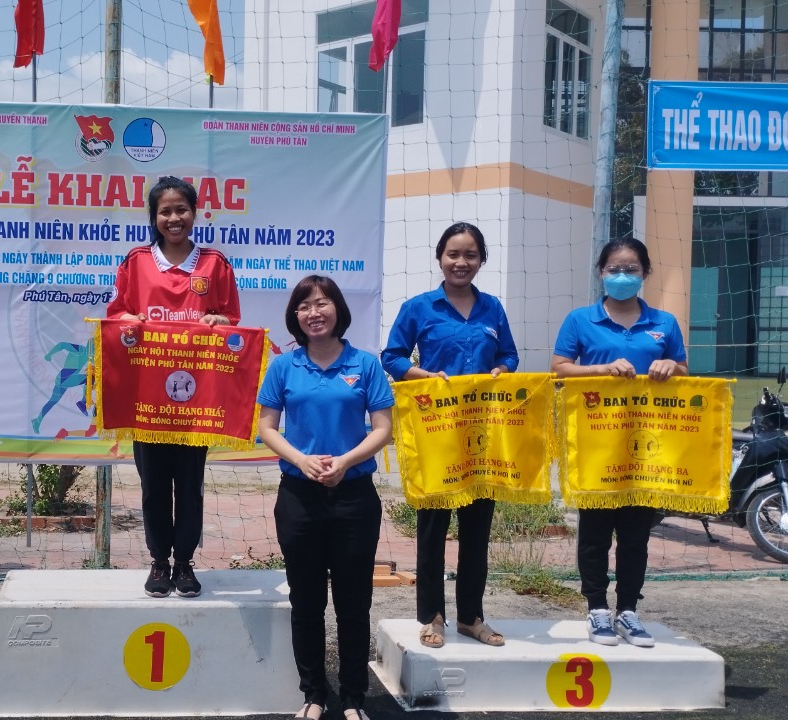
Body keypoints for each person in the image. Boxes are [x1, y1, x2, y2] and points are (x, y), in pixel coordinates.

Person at [257, 275, 392, 720]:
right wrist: (302, 460)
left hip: (354, 499)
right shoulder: (284, 366)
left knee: (354, 604)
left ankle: (353, 698)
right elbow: (267, 427)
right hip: (299, 497)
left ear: (338, 309)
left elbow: (383, 429)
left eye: (322, 303)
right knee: (306, 601)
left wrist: (346, 462)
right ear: (295, 316)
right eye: (304, 306)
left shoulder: (365, 364)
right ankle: (314, 694)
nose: (314, 313)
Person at [380, 221, 518, 649]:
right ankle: (432, 617)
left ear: (481, 260)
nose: (461, 262)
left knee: (477, 532)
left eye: (470, 255)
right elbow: (392, 357)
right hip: (436, 433)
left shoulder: (493, 308)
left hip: (482, 436)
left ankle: (471, 618)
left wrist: (501, 370)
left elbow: (510, 355)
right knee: (432, 531)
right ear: (440, 258)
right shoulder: (419, 308)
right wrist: (421, 375)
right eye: (453, 254)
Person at [106, 175, 240, 598]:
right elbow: (117, 314)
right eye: (165, 211)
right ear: (154, 217)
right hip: (148, 399)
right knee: (153, 487)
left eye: (181, 209)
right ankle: (159, 562)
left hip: (195, 400)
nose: (174, 218)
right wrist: (128, 321)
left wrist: (220, 321)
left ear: (194, 213)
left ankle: (184, 563)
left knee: (190, 485)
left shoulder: (214, 264)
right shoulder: (136, 262)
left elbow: (232, 319)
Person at [551, 236, 687, 648]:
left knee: (636, 534)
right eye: (614, 269)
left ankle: (628, 610)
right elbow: (559, 369)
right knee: (594, 531)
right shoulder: (580, 320)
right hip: (596, 443)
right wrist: (602, 369)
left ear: (645, 273)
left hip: (647, 447)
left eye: (631, 269)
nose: (622, 276)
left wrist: (670, 365)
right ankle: (597, 608)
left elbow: (684, 370)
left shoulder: (664, 323)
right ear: (601, 273)